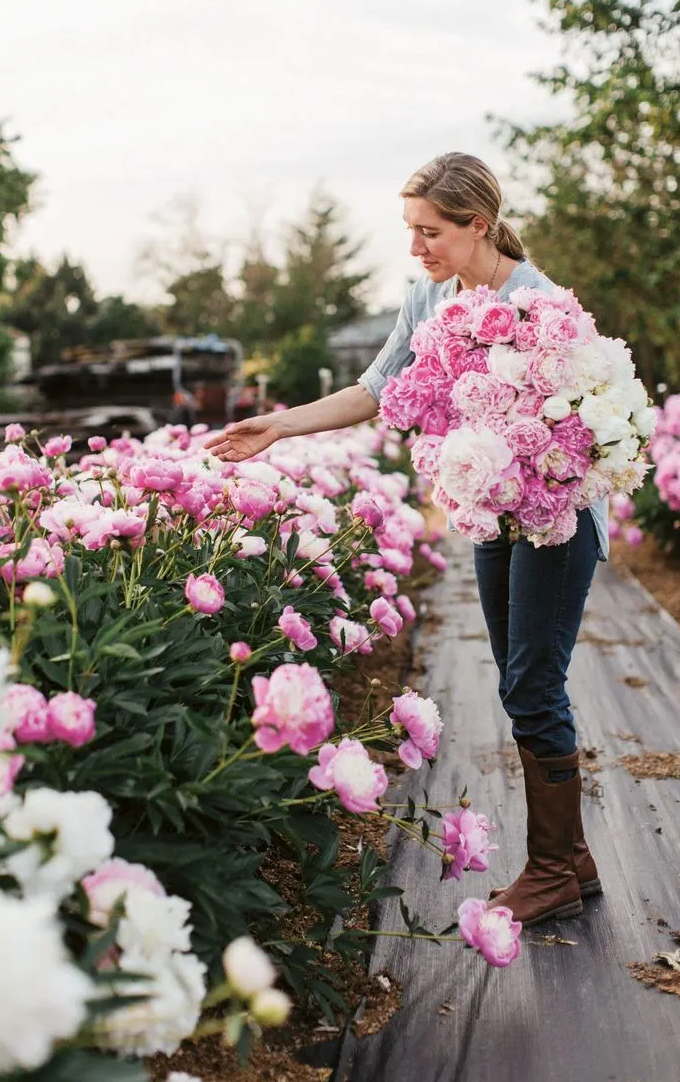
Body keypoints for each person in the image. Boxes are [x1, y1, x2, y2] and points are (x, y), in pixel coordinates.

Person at [205, 151, 609, 927]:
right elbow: (380, 387)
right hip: (494, 515)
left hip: (556, 518)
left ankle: (553, 869)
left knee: (532, 685)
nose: (416, 247)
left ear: (477, 225)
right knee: (519, 682)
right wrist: (278, 426)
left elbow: (587, 425)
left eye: (430, 232)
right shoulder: (428, 295)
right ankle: (575, 859)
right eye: (410, 230)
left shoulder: (542, 304)